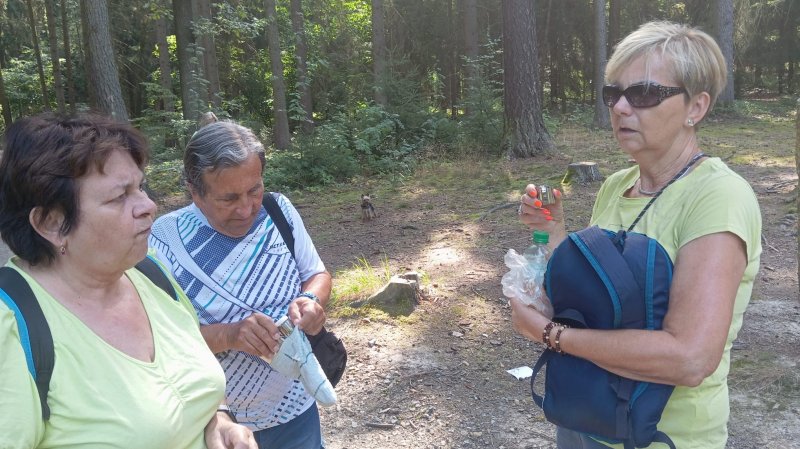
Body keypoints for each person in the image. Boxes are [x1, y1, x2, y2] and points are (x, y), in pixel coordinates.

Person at [513, 21, 761, 449]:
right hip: (585, 415)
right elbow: (598, 299)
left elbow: (690, 358)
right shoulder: (617, 185)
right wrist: (553, 232)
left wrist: (551, 335)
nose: (621, 107)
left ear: (696, 107)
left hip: (662, 437)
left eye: (644, 93)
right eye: (614, 93)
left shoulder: (718, 197)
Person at [0, 113, 257, 449]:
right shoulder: (12, 326)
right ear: (52, 223)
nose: (149, 205)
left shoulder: (150, 274)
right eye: (119, 196)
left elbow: (194, 378)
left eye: (140, 187)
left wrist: (219, 420)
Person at [149, 120, 333, 449]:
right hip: (215, 424)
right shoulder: (164, 240)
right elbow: (160, 341)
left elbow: (317, 274)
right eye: (229, 198)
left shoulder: (279, 211)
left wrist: (311, 300)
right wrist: (230, 335)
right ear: (195, 192)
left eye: (254, 190)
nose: (247, 209)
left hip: (296, 408)